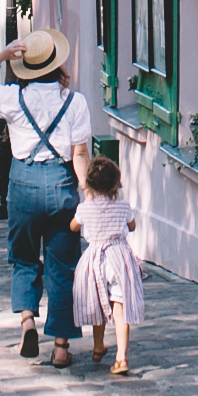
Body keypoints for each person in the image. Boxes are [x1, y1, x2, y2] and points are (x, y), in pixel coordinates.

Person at [0, 22, 91, 367]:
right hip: (61, 183)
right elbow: (79, 154)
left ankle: (27, 322)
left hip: (23, 184)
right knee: (63, 266)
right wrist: (89, 195)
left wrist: (2, 55)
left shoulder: (12, 97)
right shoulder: (75, 102)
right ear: (57, 64)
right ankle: (62, 347)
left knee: (23, 259)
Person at [71, 154, 146, 377]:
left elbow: (73, 227)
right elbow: (131, 226)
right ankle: (121, 357)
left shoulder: (85, 208)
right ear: (116, 183)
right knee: (119, 308)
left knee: (97, 303)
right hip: (118, 258)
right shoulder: (123, 206)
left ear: (90, 184)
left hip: (94, 260)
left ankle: (97, 346)